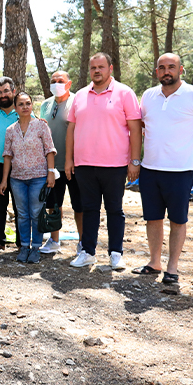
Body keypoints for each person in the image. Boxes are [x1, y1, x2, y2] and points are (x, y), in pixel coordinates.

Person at [65, 52, 141, 269]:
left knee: (114, 210)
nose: (96, 71)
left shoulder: (125, 93)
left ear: (110, 68)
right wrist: (69, 160)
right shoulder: (79, 95)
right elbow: (71, 128)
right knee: (88, 209)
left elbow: (135, 130)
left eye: (101, 67)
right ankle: (88, 252)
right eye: (93, 68)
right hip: (84, 165)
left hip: (115, 165)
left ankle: (116, 253)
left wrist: (134, 161)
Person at [132, 53, 193, 284]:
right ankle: (154, 262)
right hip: (149, 170)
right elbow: (137, 128)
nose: (166, 71)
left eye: (171, 67)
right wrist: (135, 161)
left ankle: (172, 269)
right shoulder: (148, 95)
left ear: (181, 70)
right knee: (153, 219)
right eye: (161, 68)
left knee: (178, 220)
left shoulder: (192, 95)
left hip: (180, 171)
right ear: (156, 72)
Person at [0, 92, 57, 264]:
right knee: (22, 214)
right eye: (21, 104)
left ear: (32, 106)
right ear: (15, 108)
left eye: (28, 103)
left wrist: (51, 172)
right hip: (17, 178)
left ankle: (36, 247)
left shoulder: (41, 126)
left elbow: (49, 150)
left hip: (38, 177)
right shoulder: (11, 130)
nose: (25, 107)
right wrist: (4, 180)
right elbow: (7, 156)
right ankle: (24, 246)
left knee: (36, 213)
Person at [39, 71, 83, 255]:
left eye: (61, 81)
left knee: (79, 205)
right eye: (54, 81)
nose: (57, 84)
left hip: (74, 164)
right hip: (52, 166)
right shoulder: (45, 105)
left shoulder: (77, 102)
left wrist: (71, 160)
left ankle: (83, 242)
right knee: (53, 204)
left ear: (69, 83)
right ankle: (54, 240)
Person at [0, 77, 21, 252]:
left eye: (6, 91)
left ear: (13, 91)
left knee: (20, 206)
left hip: (19, 166)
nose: (3, 95)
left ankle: (22, 242)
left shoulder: (23, 112)